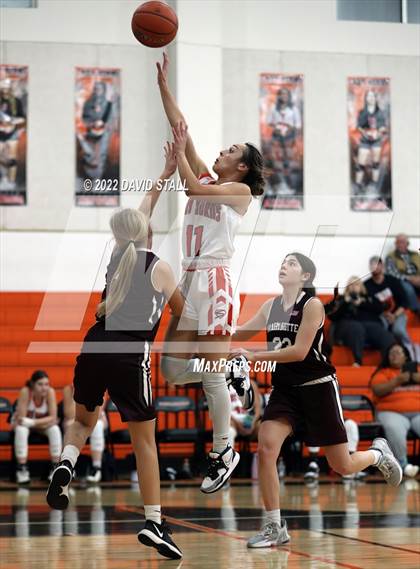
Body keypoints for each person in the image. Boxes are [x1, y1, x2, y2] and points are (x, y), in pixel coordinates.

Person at [46, 146, 183, 560]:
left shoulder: (117, 257)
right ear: (147, 233)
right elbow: (182, 311)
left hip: (94, 344)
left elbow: (139, 215)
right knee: (145, 441)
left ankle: (67, 464)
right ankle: (155, 522)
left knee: (83, 419)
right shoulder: (159, 265)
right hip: (130, 352)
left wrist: (164, 174)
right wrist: (169, 342)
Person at [229, 253, 402, 548]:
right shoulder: (271, 306)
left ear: (305, 277)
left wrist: (254, 356)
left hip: (317, 387)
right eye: (282, 262)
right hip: (285, 389)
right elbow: (237, 334)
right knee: (267, 447)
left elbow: (298, 352)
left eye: (292, 263)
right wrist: (207, 332)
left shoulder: (312, 306)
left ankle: (377, 454)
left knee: (342, 466)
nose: (284, 266)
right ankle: (274, 527)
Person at [156, 52, 264, 494]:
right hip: (189, 278)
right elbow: (185, 136)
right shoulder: (209, 179)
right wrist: (163, 89)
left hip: (215, 281)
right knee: (172, 369)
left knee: (211, 375)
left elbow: (193, 184)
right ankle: (236, 365)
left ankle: (224, 450)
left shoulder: (238, 192)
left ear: (242, 167)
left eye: (230, 150)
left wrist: (182, 154)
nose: (221, 152)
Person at [370, 343, 420, 478]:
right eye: (392, 353)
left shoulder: (417, 370)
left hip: (418, 412)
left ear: (406, 357)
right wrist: (397, 381)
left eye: (398, 352)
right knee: (394, 426)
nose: (394, 355)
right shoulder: (383, 372)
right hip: (391, 411)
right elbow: (377, 390)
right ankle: (403, 465)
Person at [325, 276, 395, 366]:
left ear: (361, 287)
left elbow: (380, 309)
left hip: (370, 326)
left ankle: (387, 363)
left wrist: (362, 303)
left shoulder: (369, 298)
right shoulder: (340, 299)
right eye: (351, 285)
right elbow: (331, 316)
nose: (354, 287)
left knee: (385, 335)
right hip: (347, 328)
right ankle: (358, 361)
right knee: (357, 327)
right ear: (347, 287)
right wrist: (345, 303)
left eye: (356, 284)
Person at [12, 370, 62, 484]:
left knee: (55, 429)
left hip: (38, 425)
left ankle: (55, 468)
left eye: (46, 384)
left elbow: (53, 418)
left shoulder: (50, 392)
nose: (44, 388)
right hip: (25, 426)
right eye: (40, 384)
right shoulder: (26, 391)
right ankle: (22, 468)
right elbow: (21, 419)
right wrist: (41, 422)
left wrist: (32, 422)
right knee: (21, 430)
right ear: (33, 384)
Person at [364, 256, 412, 351]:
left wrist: (394, 316)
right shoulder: (366, 285)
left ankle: (410, 349)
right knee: (380, 330)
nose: (375, 268)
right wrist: (383, 314)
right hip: (380, 316)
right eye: (372, 265)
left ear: (382, 266)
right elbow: (368, 306)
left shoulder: (393, 281)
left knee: (398, 330)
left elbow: (405, 302)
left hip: (398, 314)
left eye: (377, 265)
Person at [62, 384, 107, 483]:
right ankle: (69, 466)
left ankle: (97, 468)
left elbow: (98, 413)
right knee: (70, 425)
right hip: (76, 421)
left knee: (98, 426)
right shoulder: (68, 389)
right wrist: (76, 393)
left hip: (95, 420)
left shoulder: (101, 386)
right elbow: (69, 414)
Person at [267, 87, 302, 192]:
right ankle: (279, 185)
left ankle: (291, 186)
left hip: (289, 139)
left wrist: (290, 128)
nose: (284, 96)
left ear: (289, 96)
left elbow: (298, 124)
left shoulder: (294, 109)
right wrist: (276, 128)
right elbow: (269, 122)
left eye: (286, 94)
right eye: (281, 94)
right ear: (278, 96)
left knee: (289, 162)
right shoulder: (273, 108)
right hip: (277, 138)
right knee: (277, 161)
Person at [354, 89, 387, 192]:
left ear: (375, 98)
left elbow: (383, 126)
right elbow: (359, 126)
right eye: (368, 96)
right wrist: (365, 133)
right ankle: (358, 186)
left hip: (377, 140)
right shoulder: (362, 112)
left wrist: (378, 132)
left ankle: (374, 185)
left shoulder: (380, 112)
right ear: (366, 98)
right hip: (365, 141)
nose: (370, 98)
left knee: (376, 163)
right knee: (360, 164)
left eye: (372, 96)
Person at [0, 77, 25, 191]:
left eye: (7, 87)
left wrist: (13, 122)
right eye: (2, 87)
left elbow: (22, 118)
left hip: (12, 133)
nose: (5, 89)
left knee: (12, 158)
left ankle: (11, 182)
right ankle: (2, 179)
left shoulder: (16, 101)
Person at [385, 234, 420, 315]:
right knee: (408, 289)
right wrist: (409, 278)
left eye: (403, 242)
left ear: (407, 243)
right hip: (402, 280)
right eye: (398, 242)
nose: (400, 244)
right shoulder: (390, 256)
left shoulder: (415, 255)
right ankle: (416, 310)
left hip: (417, 277)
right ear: (395, 244)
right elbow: (392, 273)